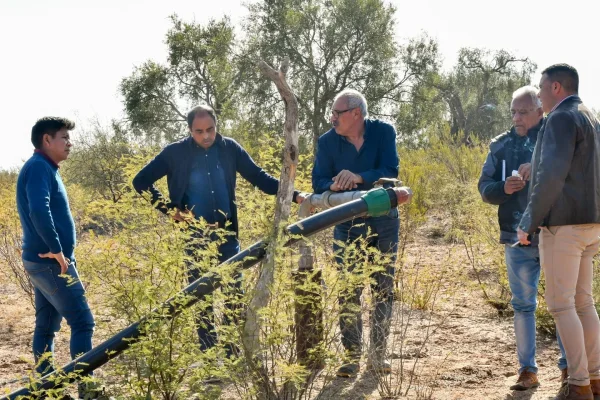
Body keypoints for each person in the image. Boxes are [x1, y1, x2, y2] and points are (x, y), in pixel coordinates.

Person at [133, 104, 306, 354]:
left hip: (227, 234)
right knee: (201, 294)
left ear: (217, 125)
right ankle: (209, 354)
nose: (205, 136)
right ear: (190, 130)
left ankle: (231, 349)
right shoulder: (175, 153)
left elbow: (259, 177)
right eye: (199, 131)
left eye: (210, 129)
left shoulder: (229, 148)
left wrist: (295, 194)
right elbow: (140, 181)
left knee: (234, 290)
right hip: (195, 236)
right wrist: (171, 211)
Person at [518, 64, 600, 400]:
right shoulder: (591, 115)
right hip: (592, 224)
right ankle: (594, 380)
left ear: (555, 87)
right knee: (584, 303)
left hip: (564, 225)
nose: (538, 95)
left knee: (562, 305)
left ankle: (579, 384)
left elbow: (549, 177)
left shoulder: (561, 118)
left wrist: (529, 221)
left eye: (540, 88)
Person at [478, 86, 567, 391]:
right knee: (523, 306)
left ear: (540, 110)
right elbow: (485, 189)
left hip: (556, 234)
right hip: (514, 237)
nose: (516, 117)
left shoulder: (558, 137)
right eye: (513, 111)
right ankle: (527, 371)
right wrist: (504, 188)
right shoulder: (500, 146)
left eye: (523, 111)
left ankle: (570, 368)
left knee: (563, 304)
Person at [312, 89, 399, 377]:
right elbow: (318, 181)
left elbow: (391, 170)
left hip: (383, 218)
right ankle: (350, 356)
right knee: (349, 289)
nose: (332, 117)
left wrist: (360, 177)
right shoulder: (327, 141)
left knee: (383, 287)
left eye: (337, 113)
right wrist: (335, 186)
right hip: (346, 221)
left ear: (356, 114)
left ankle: (378, 355)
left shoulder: (384, 132)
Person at [16, 117, 103, 398]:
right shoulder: (39, 168)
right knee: (83, 323)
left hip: (42, 262)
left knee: (46, 327)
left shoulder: (44, 167)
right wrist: (57, 250)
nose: (69, 142)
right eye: (64, 137)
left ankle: (46, 390)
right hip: (51, 263)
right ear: (46, 140)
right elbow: (39, 210)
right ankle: (87, 389)